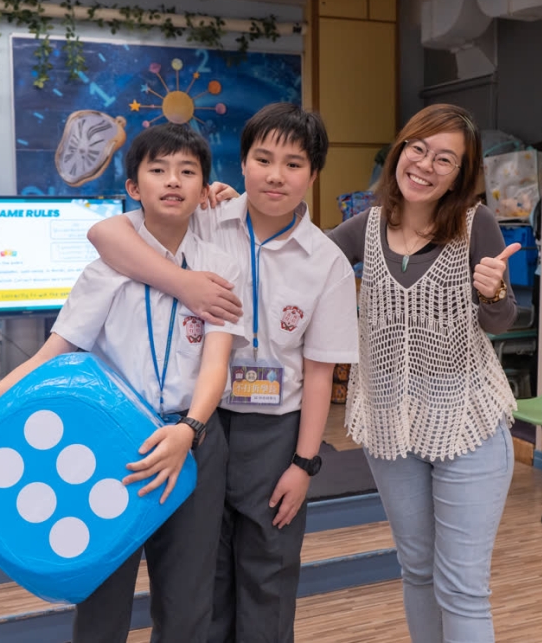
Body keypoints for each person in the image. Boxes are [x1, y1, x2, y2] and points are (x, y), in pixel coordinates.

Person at [0, 123, 246, 643]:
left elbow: (217, 362)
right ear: (133, 187)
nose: (173, 180)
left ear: (204, 189)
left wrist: (189, 429)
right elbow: (50, 357)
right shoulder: (106, 272)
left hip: (191, 444)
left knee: (189, 603)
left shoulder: (221, 267)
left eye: (188, 171)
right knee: (103, 600)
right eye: (158, 170)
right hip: (108, 444)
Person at [86, 103, 359, 643]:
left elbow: (319, 372)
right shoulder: (206, 216)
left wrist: (304, 463)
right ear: (243, 163)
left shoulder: (326, 261)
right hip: (197, 421)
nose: (276, 175)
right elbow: (105, 235)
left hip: (272, 432)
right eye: (263, 159)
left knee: (268, 570)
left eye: (294, 164)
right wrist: (185, 284)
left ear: (313, 175)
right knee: (200, 575)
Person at [327, 104, 519, 643]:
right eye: (418, 148)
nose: (426, 165)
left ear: (459, 175)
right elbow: (295, 256)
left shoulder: (475, 224)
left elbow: (500, 321)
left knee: (462, 589)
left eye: (445, 159)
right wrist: (232, 206)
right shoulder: (365, 228)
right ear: (400, 151)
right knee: (416, 571)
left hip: (468, 426)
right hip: (391, 431)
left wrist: (494, 291)